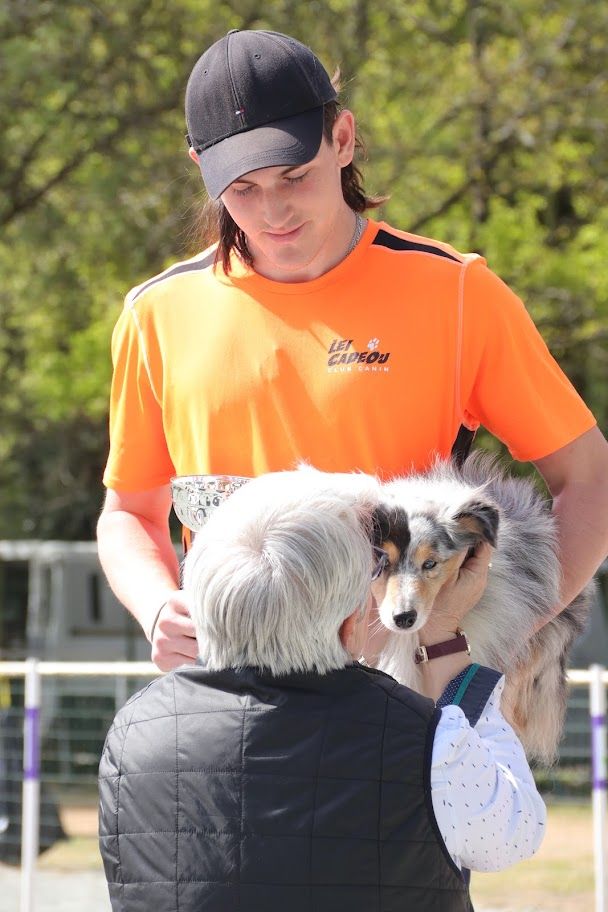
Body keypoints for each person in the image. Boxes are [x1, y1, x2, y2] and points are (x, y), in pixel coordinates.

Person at [97, 29, 608, 671]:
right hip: (233, 692)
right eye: (244, 189)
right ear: (203, 169)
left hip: (401, 696)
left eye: (294, 175)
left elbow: (591, 480)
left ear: (341, 139)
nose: (273, 210)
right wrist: (156, 610)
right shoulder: (156, 313)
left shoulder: (456, 292)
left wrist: (486, 638)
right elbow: (128, 515)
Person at [98, 469, 546, 912]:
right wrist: (444, 633)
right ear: (350, 625)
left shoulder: (134, 733)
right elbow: (515, 831)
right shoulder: (426, 740)